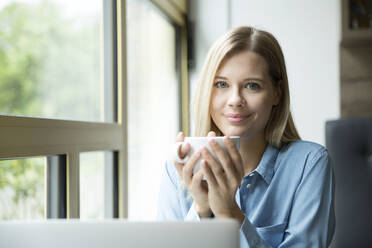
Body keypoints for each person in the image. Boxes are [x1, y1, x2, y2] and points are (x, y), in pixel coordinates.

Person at [157, 26, 335, 247]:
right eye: (222, 84)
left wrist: (230, 214)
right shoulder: (177, 170)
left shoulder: (309, 164)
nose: (235, 100)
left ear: (277, 93)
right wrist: (202, 211)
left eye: (252, 86)